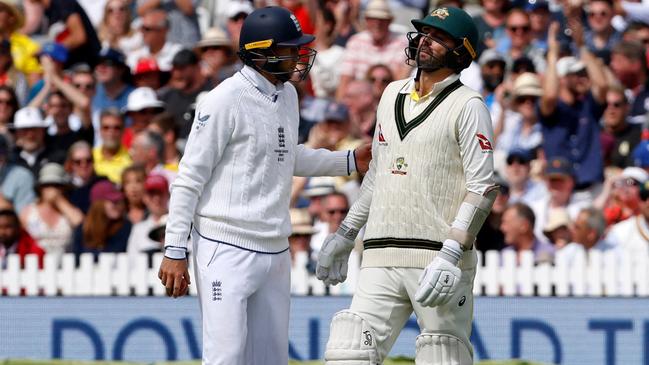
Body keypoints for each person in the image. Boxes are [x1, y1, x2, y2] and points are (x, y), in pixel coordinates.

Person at [157, 7, 370, 365]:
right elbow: (189, 178)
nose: (299, 57)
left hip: (274, 248)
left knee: (272, 360)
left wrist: (348, 160)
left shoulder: (286, 95)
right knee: (225, 358)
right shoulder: (223, 100)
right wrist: (175, 249)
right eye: (290, 49)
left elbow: (288, 156)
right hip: (224, 246)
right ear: (262, 52)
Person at [315, 7, 495, 364]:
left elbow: (483, 187)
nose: (425, 41)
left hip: (436, 257)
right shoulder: (391, 94)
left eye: (438, 37)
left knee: (442, 355)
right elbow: (377, 175)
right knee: (347, 352)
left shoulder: (469, 105)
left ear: (461, 52)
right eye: (424, 33)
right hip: (380, 252)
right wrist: (345, 234)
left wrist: (451, 253)